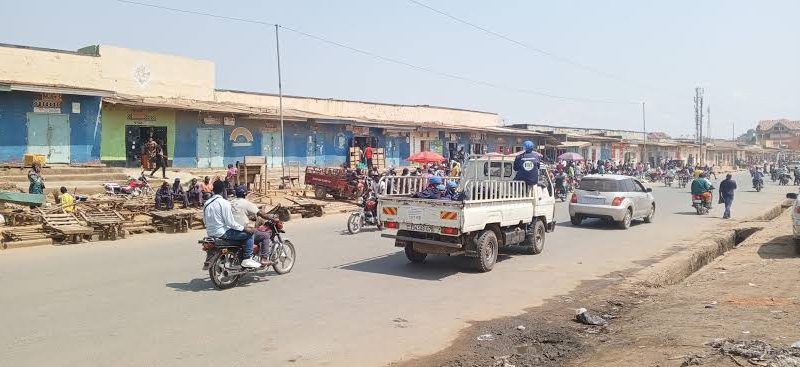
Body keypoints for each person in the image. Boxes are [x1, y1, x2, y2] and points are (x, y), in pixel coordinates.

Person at [204, 180, 259, 268]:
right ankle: (247, 258)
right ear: (223, 190)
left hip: (210, 233)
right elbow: (230, 223)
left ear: (213, 190)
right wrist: (245, 229)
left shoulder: (207, 203)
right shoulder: (224, 203)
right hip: (222, 233)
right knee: (250, 233)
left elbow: (205, 220)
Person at [229, 185, 273, 266]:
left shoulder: (230, 202)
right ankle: (264, 259)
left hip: (230, 230)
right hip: (241, 230)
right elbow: (261, 214)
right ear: (245, 194)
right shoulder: (246, 203)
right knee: (265, 235)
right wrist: (272, 218)